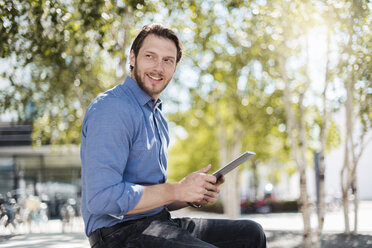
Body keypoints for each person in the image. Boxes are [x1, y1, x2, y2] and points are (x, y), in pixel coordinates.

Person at [81, 23, 267, 248]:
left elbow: (155, 199)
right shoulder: (112, 108)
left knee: (251, 234)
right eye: (150, 56)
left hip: (158, 223)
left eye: (168, 60)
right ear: (133, 58)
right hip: (117, 235)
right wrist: (176, 189)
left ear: (175, 67)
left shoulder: (156, 116)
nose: (158, 67)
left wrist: (189, 194)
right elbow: (101, 199)